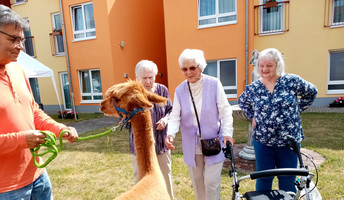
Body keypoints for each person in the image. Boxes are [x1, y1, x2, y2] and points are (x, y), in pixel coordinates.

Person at [0, 5, 78, 199]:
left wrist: (59, 128)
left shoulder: (17, 69)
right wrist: (20, 140)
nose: (21, 46)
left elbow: (33, 111)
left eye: (22, 39)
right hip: (6, 189)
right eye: (13, 39)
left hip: (38, 176)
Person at [238, 48, 318, 194]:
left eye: (269, 65)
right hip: (263, 142)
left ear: (278, 65)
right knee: (263, 177)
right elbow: (242, 101)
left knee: (288, 177)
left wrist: (297, 109)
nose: (264, 69)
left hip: (288, 142)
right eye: (261, 65)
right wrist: (253, 115)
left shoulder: (291, 81)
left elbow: (312, 91)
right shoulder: (254, 88)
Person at [165, 49, 234, 200]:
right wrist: (170, 134)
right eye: (184, 69)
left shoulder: (214, 84)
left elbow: (225, 111)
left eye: (192, 68)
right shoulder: (180, 90)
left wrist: (227, 132)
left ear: (201, 67)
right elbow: (175, 116)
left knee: (211, 182)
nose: (188, 72)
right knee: (197, 182)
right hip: (192, 144)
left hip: (213, 142)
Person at [127, 60, 174, 199]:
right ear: (137, 78)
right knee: (142, 183)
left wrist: (166, 119)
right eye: (144, 78)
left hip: (161, 146)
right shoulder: (130, 94)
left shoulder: (162, 90)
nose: (148, 81)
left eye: (151, 77)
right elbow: (123, 119)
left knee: (165, 179)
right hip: (141, 149)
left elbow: (171, 110)